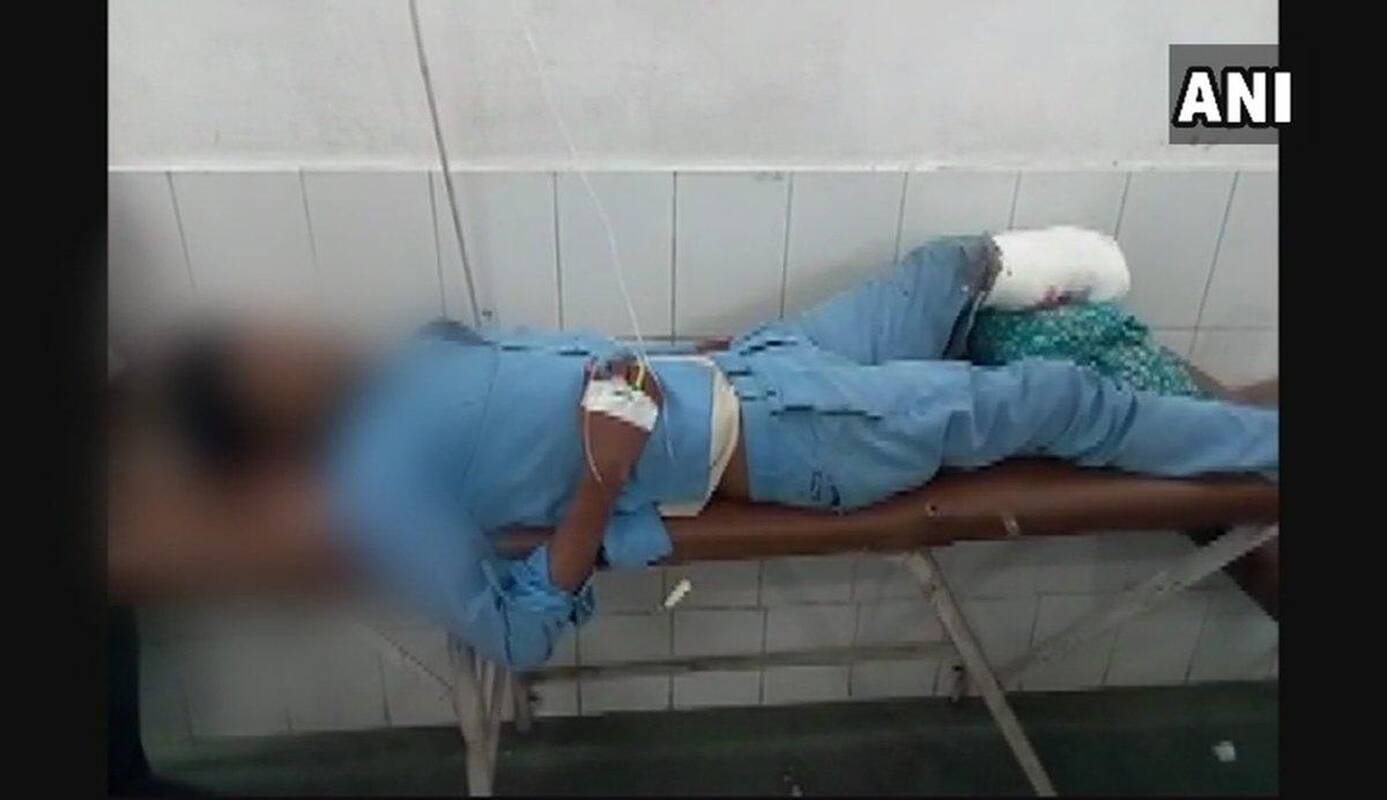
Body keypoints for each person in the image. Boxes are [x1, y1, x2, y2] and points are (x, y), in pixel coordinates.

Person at [108, 229, 1277, 671]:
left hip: (768, 361)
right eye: (267, 355)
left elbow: (584, 368)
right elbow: (513, 634)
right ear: (265, 415)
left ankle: (1054, 341)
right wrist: (603, 477)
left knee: (951, 265)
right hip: (796, 438)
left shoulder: (408, 358)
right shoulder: (376, 486)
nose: (294, 335)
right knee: (1061, 398)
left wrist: (681, 360)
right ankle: (1261, 445)